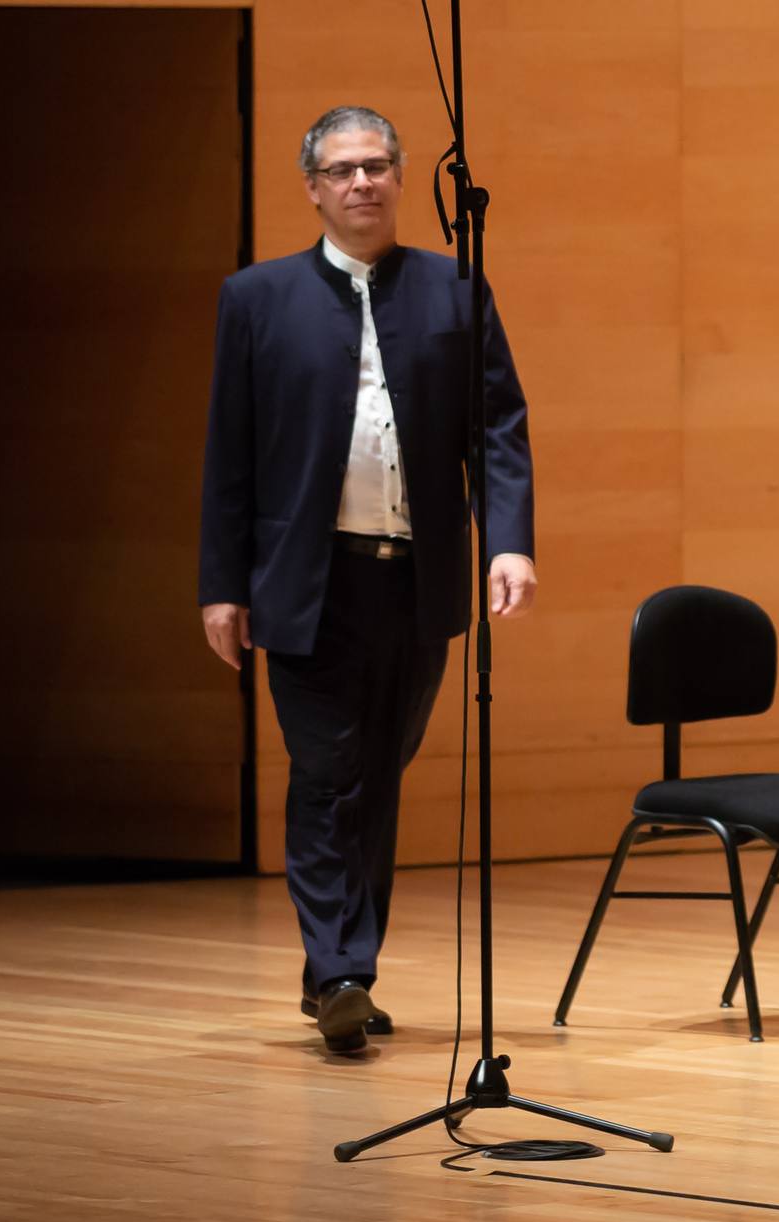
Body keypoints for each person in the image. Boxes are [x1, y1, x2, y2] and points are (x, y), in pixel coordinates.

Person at [199, 105, 537, 1057]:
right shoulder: (256, 299)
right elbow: (230, 455)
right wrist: (221, 585)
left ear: (397, 178)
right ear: (312, 187)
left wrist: (506, 540)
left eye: (378, 165)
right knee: (328, 775)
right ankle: (342, 972)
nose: (363, 183)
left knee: (376, 775)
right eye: (342, 169)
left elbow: (497, 428)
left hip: (415, 581)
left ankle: (341, 967)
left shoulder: (455, 288)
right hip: (308, 581)